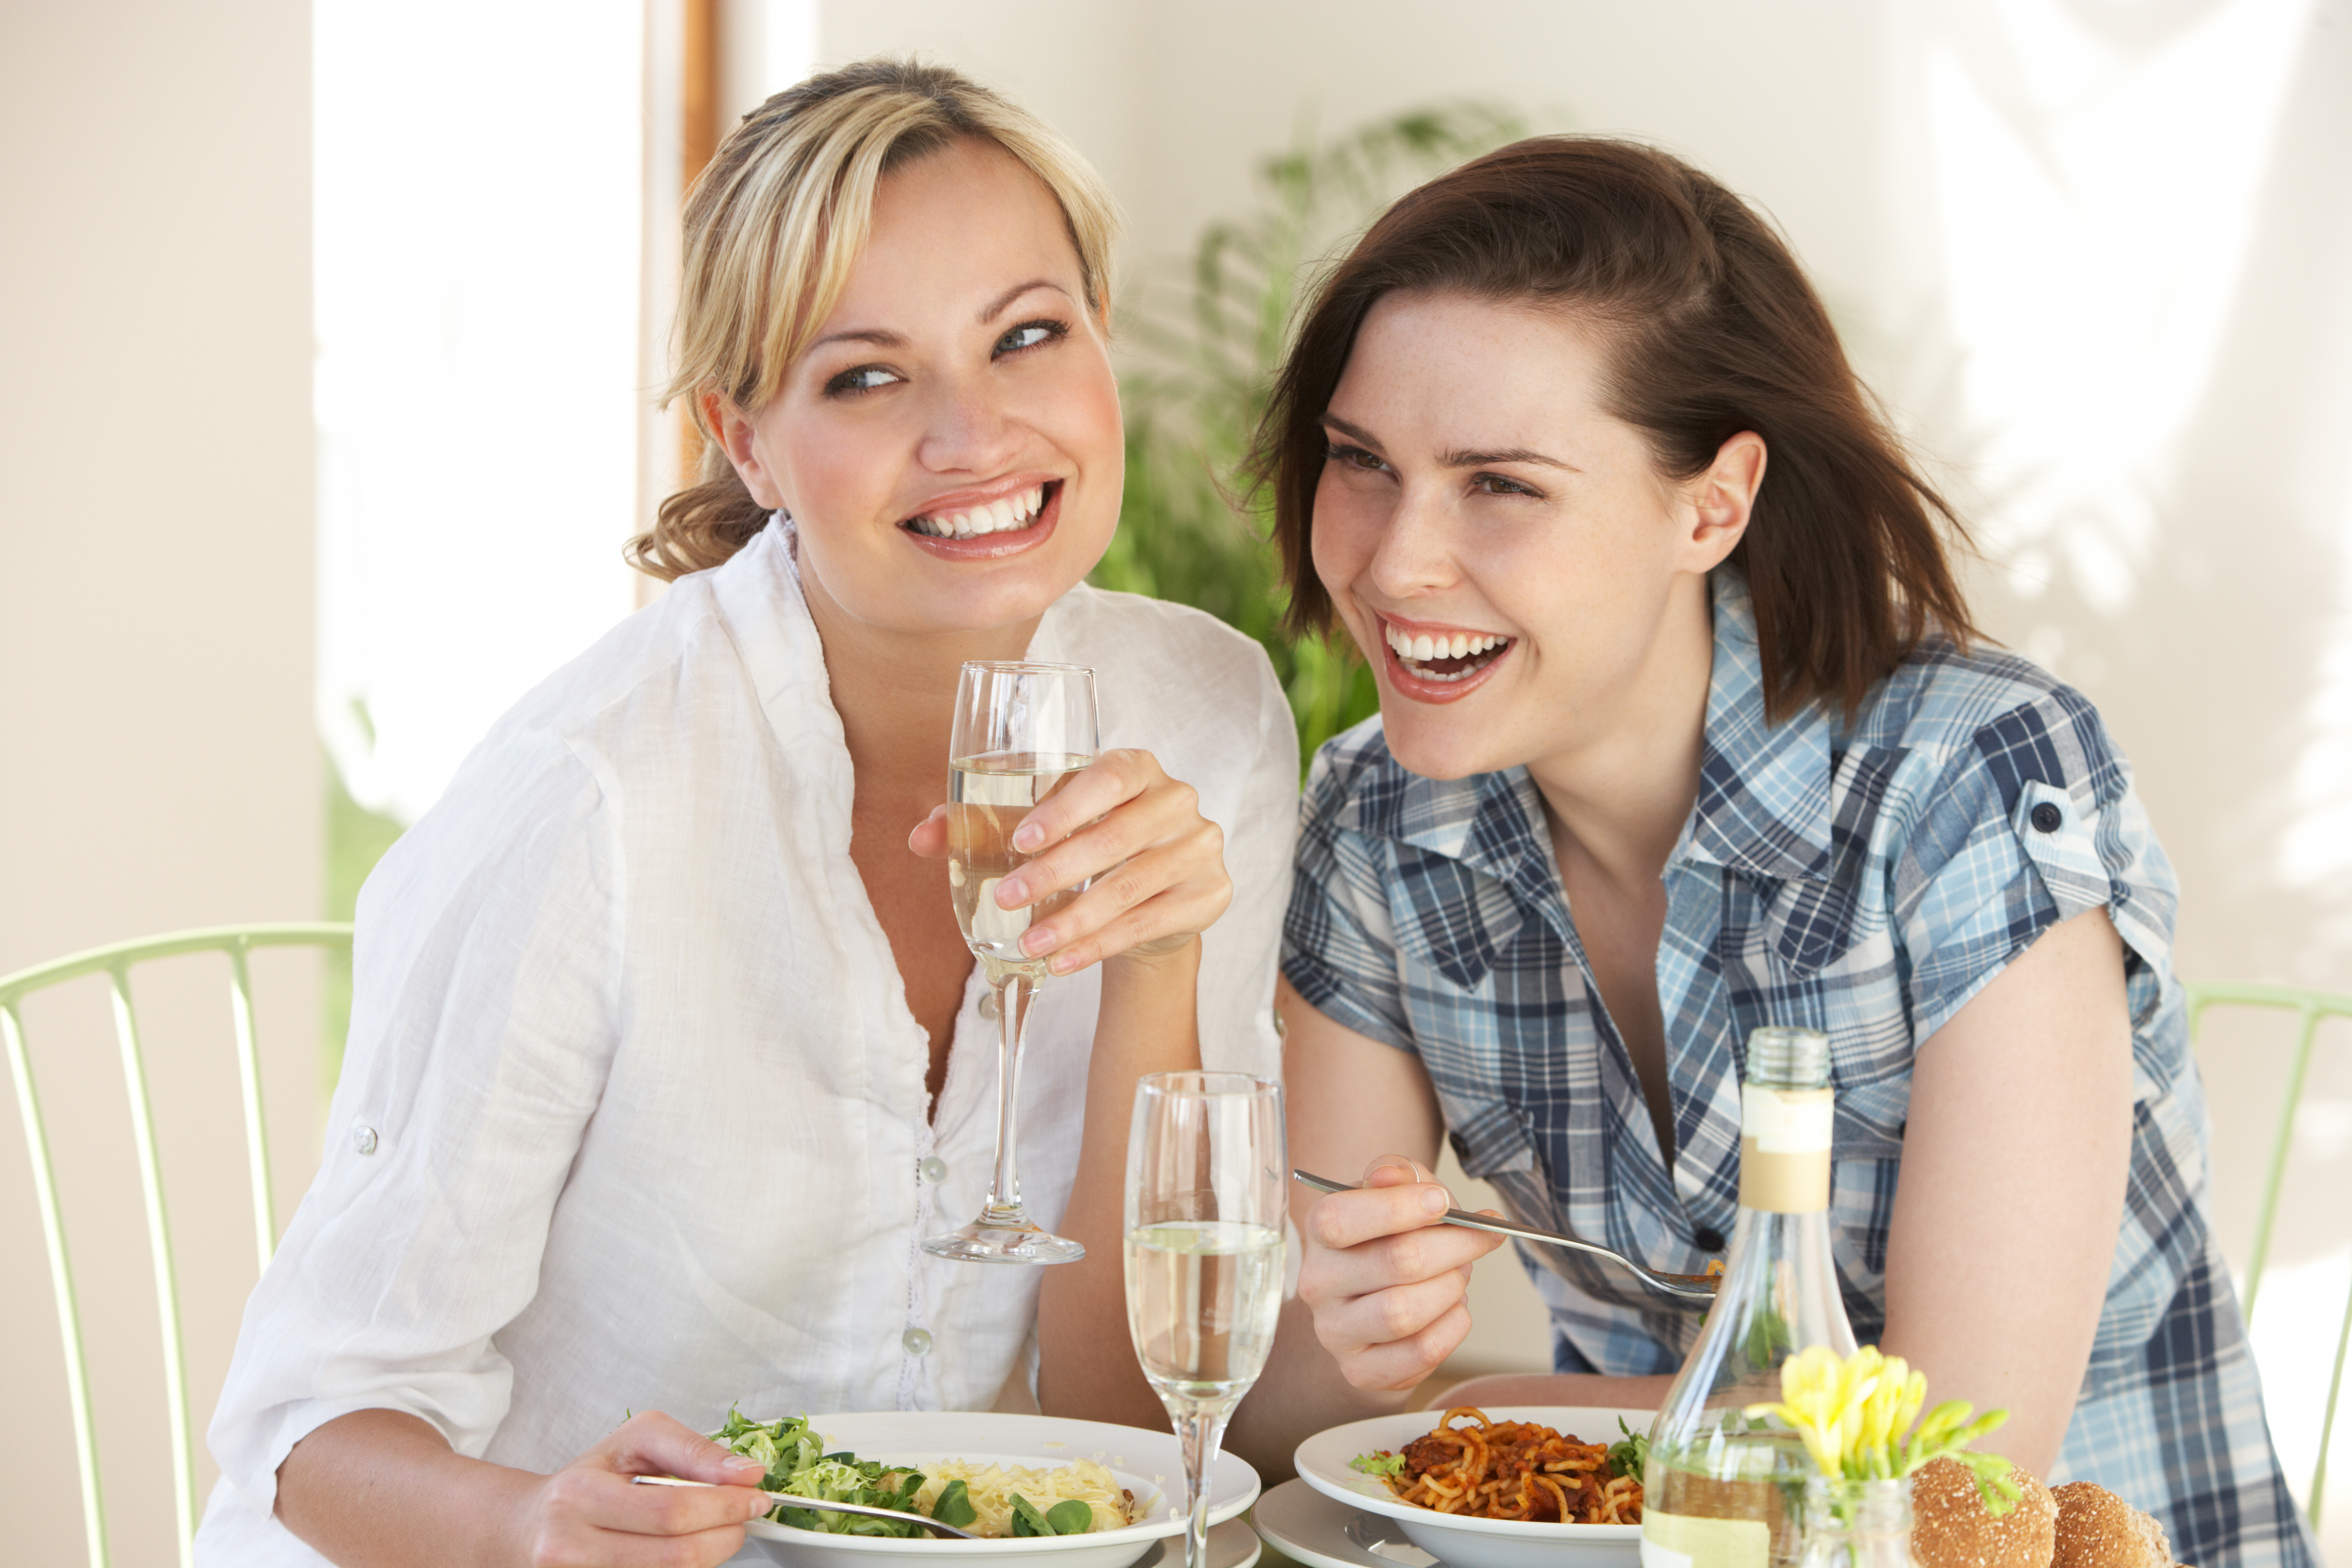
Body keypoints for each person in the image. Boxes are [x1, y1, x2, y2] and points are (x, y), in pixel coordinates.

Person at [198, 60, 1297, 1568]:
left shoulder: (1207, 716)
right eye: (865, 374)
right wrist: (534, 1522)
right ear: (746, 434)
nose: (973, 434)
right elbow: (303, 1434)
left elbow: (1121, 1420)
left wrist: (1157, 965)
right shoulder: (589, 794)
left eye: (1028, 335)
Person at [1226, 137, 2312, 1568]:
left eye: (1500, 484)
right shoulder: (1381, 818)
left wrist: (1486, 1403)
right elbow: (1277, 1427)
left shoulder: (1965, 782)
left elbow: (1954, 1473)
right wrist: (1343, 1332)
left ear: (1713, 504)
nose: (1392, 559)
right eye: (1362, 463)